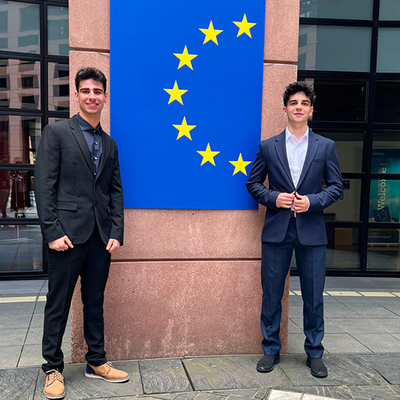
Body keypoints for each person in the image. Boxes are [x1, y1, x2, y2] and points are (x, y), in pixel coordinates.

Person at [35, 67, 128, 399]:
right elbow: (44, 186)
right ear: (76, 95)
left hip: (100, 237)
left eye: (97, 91)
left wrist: (116, 229)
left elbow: (114, 190)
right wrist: (51, 231)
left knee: (95, 301)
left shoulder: (110, 144)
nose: (92, 96)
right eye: (85, 91)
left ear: (105, 96)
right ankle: (52, 368)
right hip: (65, 237)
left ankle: (96, 361)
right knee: (58, 303)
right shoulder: (57, 133)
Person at [246, 82, 343, 378]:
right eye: (293, 102)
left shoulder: (326, 146)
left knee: (314, 296)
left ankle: (314, 352)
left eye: (304, 103)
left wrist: (312, 202)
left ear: (311, 110)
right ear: (285, 108)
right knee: (271, 294)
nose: (298, 107)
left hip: (311, 231)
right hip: (277, 230)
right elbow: (252, 184)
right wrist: (274, 198)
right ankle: (270, 350)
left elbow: (336, 187)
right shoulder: (268, 146)